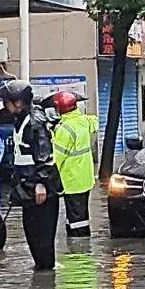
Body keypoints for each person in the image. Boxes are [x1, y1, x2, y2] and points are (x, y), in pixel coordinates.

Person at [0, 80, 64, 271]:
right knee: (32, 234)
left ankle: (46, 286)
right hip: (27, 186)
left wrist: (41, 184)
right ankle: (41, 276)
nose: (5, 105)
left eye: (8, 101)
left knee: (41, 238)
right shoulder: (21, 119)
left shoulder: (35, 122)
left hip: (39, 188)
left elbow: (44, 154)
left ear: (18, 102)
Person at [51, 91, 99, 238]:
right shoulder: (84, 121)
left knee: (76, 217)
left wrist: (49, 178)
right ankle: (81, 243)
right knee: (81, 212)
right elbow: (95, 122)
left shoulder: (64, 129)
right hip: (86, 176)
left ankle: (78, 248)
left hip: (71, 179)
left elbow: (57, 158)